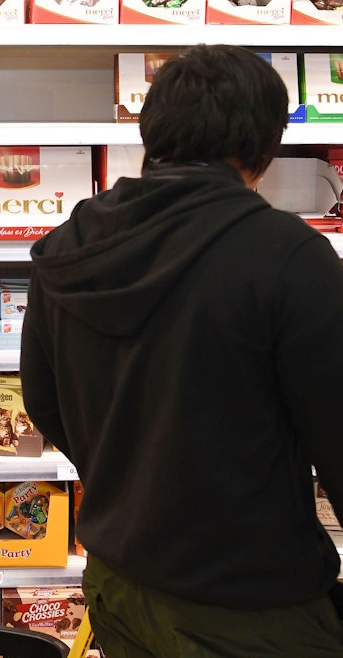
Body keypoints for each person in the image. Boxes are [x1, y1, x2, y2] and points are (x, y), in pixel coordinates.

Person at [20, 44, 343, 656]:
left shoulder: (68, 244)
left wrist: (131, 477)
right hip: (249, 603)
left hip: (117, 578)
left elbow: (43, 401)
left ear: (152, 131)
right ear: (264, 147)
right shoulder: (288, 255)